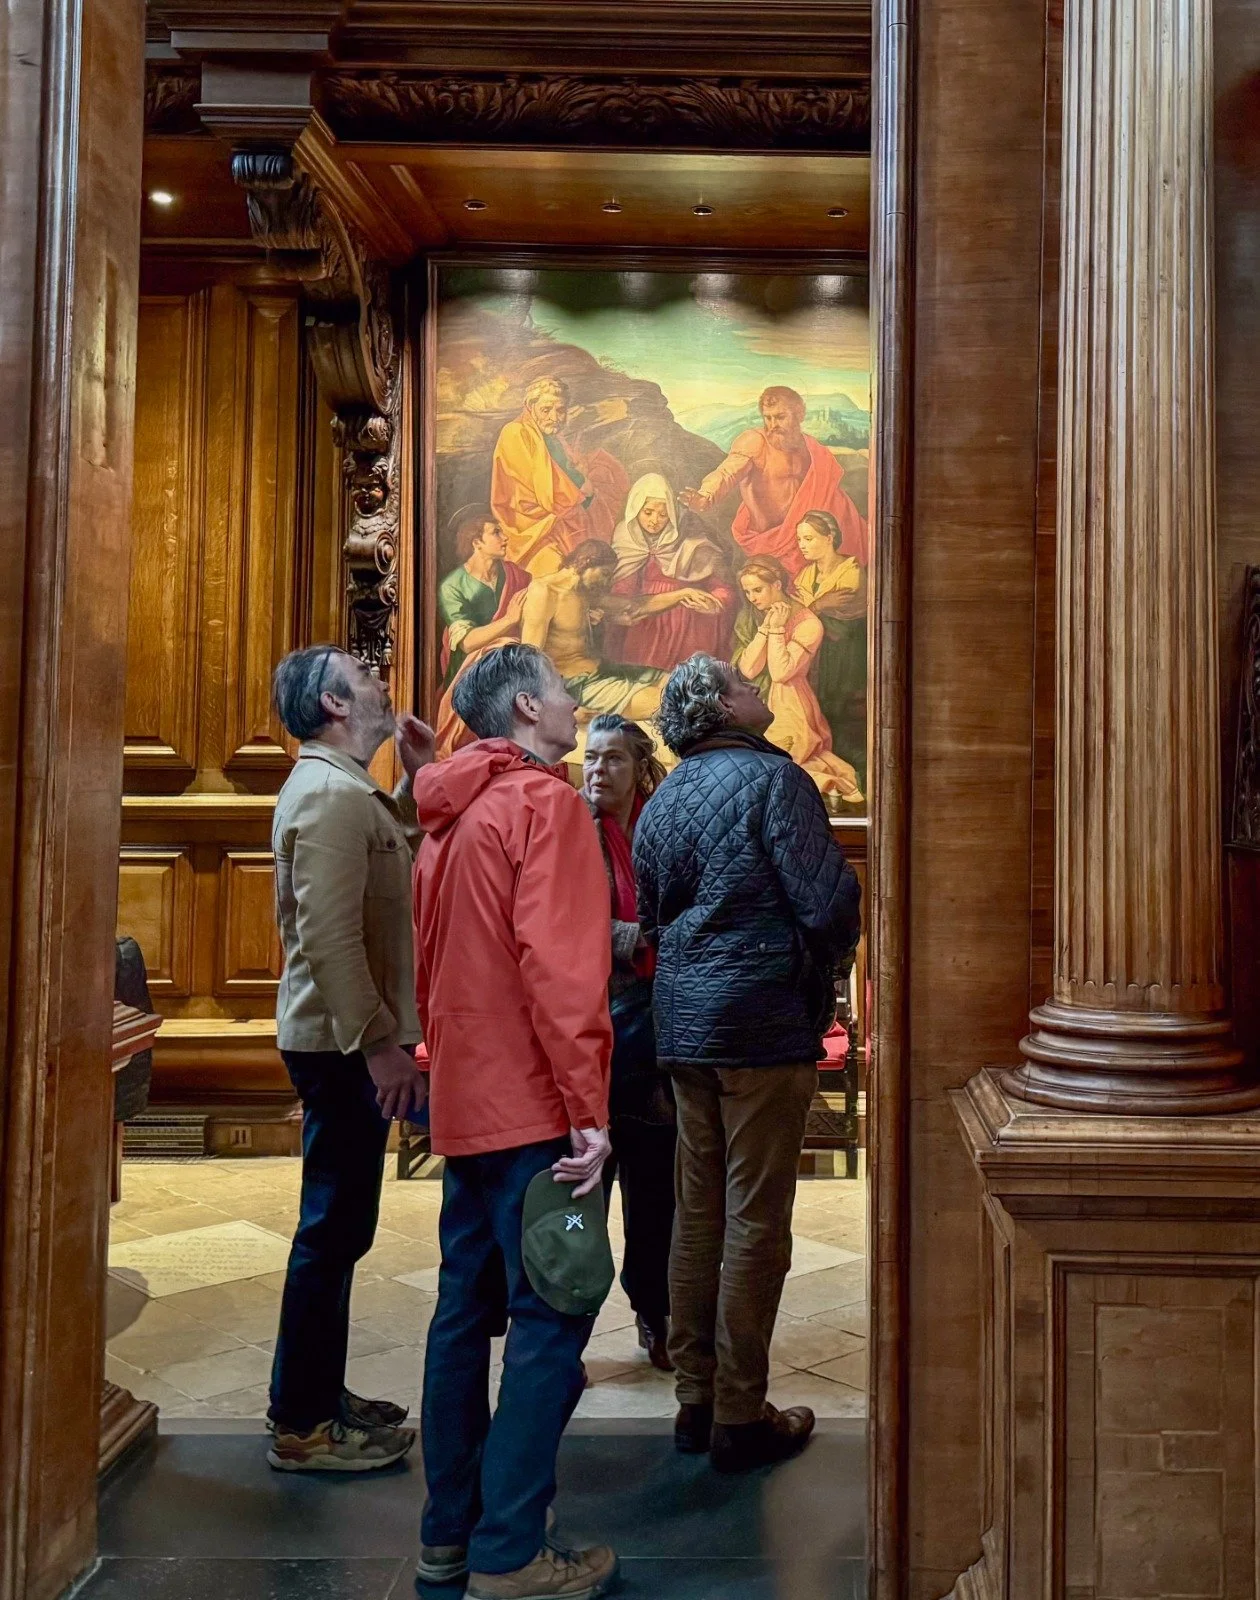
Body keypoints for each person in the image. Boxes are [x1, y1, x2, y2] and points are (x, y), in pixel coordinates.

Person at [412, 642, 619, 1599]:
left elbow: (431, 966)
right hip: (536, 1106)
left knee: (463, 1315)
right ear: (529, 707)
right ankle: (508, 1553)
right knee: (551, 1318)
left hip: (466, 1100)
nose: (576, 704)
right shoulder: (543, 804)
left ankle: (448, 1536)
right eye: (565, 691)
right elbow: (563, 970)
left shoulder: (449, 814)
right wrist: (588, 1110)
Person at [633, 653, 861, 1474]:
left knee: (696, 1214)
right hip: (761, 1023)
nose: (758, 688)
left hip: (685, 1026)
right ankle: (740, 1412)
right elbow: (826, 903)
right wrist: (827, 965)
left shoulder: (663, 799)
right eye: (743, 683)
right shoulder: (776, 781)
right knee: (756, 1218)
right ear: (722, 707)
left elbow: (654, 917)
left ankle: (695, 1399)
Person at [266, 645, 434, 1473]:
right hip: (341, 1047)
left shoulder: (346, 791)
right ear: (334, 703)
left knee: (341, 1228)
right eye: (364, 677)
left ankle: (318, 1397)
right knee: (332, 1230)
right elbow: (330, 939)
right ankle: (302, 1424)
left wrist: (417, 774)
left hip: (344, 1043)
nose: (381, 682)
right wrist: (379, 1046)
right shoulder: (330, 796)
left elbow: (388, 848)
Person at [582, 714, 676, 1372]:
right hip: (588, 1032)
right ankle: (568, 1328)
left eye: (613, 758)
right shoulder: (567, 826)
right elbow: (553, 922)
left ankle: (655, 1310)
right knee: (581, 1196)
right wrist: (635, 937)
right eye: (591, 757)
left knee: (654, 1188)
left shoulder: (663, 825)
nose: (598, 770)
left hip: (655, 1032)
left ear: (640, 768)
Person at [680, 385, 868, 574]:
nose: (773, 425)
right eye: (767, 418)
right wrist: (706, 495)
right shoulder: (754, 441)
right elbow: (726, 473)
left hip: (806, 538)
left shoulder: (812, 448)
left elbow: (826, 488)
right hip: (770, 541)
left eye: (780, 417)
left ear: (799, 414)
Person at [733, 556, 864, 804]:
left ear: (777, 585)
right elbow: (748, 670)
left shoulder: (809, 623)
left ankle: (830, 784)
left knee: (782, 759)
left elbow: (781, 673)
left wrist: (777, 630)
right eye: (747, 592)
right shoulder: (766, 616)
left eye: (757, 590)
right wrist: (767, 628)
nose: (752, 598)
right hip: (764, 699)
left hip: (790, 702)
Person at [490, 375, 629, 575]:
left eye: (560, 410)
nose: (554, 417)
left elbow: (571, 469)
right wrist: (582, 488)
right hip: (531, 526)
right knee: (564, 573)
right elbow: (546, 489)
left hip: (558, 517)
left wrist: (585, 484)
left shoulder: (553, 437)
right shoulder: (515, 432)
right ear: (530, 407)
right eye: (546, 410)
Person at [520, 538, 667, 723]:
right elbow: (529, 660)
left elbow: (634, 605)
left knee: (675, 682)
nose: (606, 582)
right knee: (665, 702)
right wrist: (559, 709)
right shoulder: (545, 592)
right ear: (586, 562)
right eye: (605, 574)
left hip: (603, 670)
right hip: (576, 685)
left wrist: (683, 594)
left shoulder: (583, 591)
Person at [606, 472, 735, 667]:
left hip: (690, 623)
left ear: (673, 514)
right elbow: (622, 588)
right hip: (647, 622)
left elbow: (724, 588)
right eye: (648, 512)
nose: (654, 520)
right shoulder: (626, 537)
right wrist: (619, 608)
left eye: (663, 514)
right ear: (635, 508)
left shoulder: (690, 538)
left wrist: (715, 602)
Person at [435, 508, 531, 757]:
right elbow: (467, 643)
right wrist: (509, 620)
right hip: (471, 672)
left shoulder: (515, 575)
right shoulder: (453, 586)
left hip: (513, 667)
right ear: (476, 542)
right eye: (496, 532)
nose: (505, 537)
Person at [793, 510, 869, 793]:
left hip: (844, 658)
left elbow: (843, 618)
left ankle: (853, 778)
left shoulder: (851, 570)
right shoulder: (805, 575)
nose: (802, 545)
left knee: (840, 716)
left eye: (809, 538)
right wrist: (819, 606)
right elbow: (801, 615)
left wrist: (814, 609)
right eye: (800, 539)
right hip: (815, 657)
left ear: (829, 537)